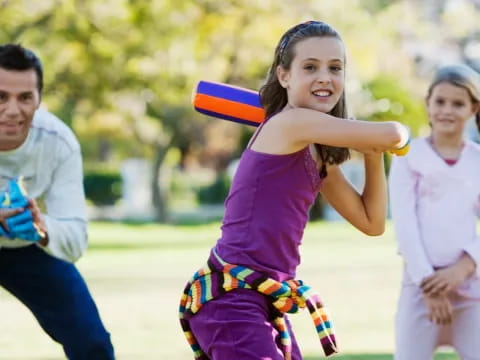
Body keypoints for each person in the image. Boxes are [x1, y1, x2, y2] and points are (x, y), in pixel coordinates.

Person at [179, 20, 410, 360]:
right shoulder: (290, 124)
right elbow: (392, 133)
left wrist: (373, 155)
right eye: (310, 67)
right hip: (232, 299)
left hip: (265, 300)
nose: (324, 77)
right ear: (284, 76)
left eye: (335, 68)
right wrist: (395, 135)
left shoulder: (317, 152)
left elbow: (371, 222)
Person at [0, 44, 115, 359]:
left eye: (25, 97)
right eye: (1, 97)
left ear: (38, 99)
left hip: (27, 249)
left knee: (92, 343)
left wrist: (41, 228)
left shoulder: (58, 142)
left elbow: (76, 240)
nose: (12, 110)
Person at [389, 64, 480, 360]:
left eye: (458, 103)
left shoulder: (477, 160)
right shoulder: (407, 157)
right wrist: (428, 284)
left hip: (470, 286)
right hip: (420, 287)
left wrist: (463, 268)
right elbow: (404, 223)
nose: (447, 110)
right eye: (440, 101)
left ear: (473, 108)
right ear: (428, 104)